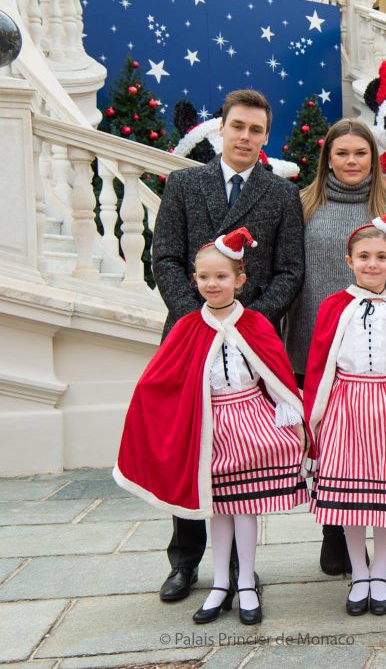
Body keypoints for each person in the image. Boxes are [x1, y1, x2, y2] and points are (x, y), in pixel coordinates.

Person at [151, 89, 304, 604]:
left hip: (248, 344)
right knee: (191, 443)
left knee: (242, 456)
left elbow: (289, 270)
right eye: (238, 126)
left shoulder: (281, 194)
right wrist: (198, 314)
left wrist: (246, 322)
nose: (245, 136)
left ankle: (241, 568)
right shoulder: (184, 183)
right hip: (189, 334)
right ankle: (185, 560)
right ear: (222, 129)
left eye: (256, 130)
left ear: (266, 137)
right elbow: (166, 257)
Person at [116, 228, 308, 626]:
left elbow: (274, 373)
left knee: (246, 508)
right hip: (208, 429)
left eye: (221, 277)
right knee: (217, 507)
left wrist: (290, 411)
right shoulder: (187, 327)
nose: (211, 284)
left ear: (240, 280)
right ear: (195, 280)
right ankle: (220, 583)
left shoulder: (255, 324)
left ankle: (247, 584)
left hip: (250, 425)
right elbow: (162, 379)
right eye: (203, 277)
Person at [284, 117, 386, 577]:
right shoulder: (305, 204)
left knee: (372, 453)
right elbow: (290, 271)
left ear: (373, 157)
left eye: (359, 153)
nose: (351, 161)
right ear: (327, 159)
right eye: (341, 153)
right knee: (332, 451)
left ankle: (372, 548)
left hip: (376, 359)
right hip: (315, 346)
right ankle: (335, 533)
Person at [303, 208, 386, 617]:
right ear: (349, 261)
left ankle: (380, 572)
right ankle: (358, 572)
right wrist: (319, 419)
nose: (372, 264)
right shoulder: (333, 307)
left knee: (383, 497)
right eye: (364, 256)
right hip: (346, 408)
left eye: (381, 257)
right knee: (350, 499)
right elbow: (320, 366)